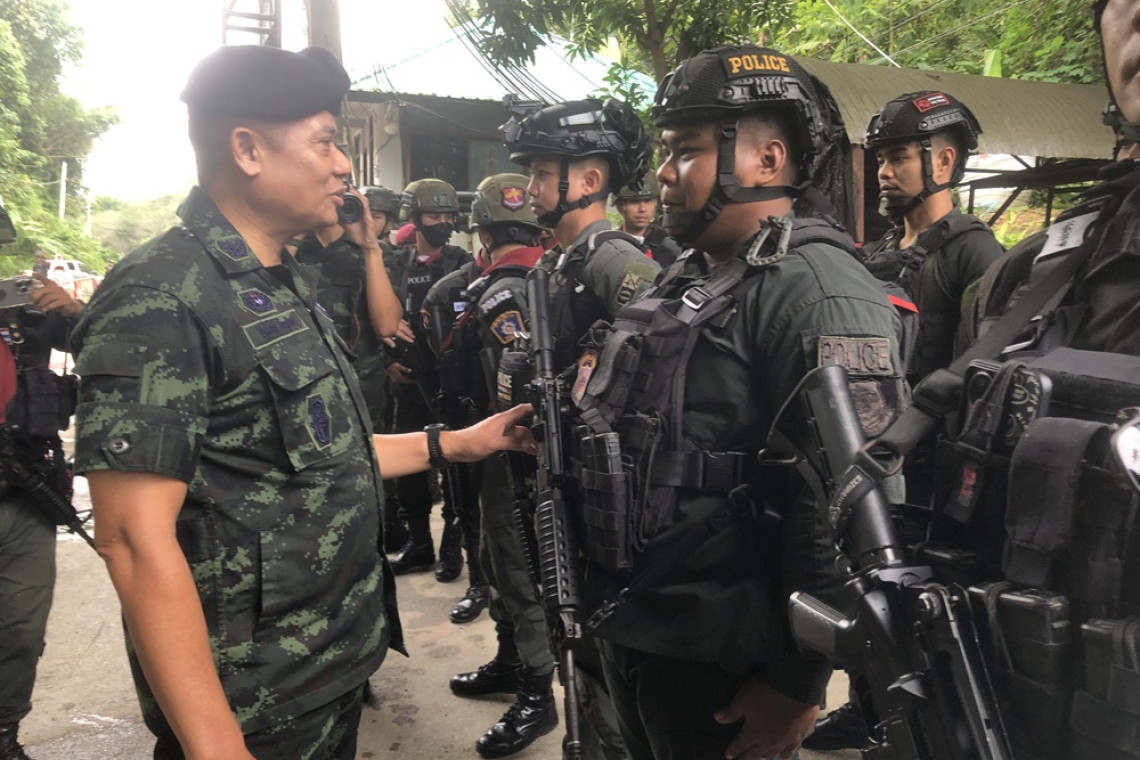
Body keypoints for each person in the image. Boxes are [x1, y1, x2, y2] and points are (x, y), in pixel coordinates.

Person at [68, 45, 535, 760]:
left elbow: (318, 454)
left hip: (328, 664)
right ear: (248, 150)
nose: (343, 165)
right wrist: (216, 745)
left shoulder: (278, 281)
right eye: (324, 142)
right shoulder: (161, 297)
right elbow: (132, 539)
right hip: (255, 702)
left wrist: (459, 442)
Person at [562, 44, 906, 760]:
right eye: (666, 151)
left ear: (767, 160)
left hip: (727, 661)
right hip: (644, 625)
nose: (662, 173)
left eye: (685, 150)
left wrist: (798, 682)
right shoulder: (693, 273)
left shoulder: (820, 290)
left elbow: (856, 502)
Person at [803, 90, 1004, 752]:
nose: (884, 172)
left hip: (932, 472)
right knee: (868, 592)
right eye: (881, 159)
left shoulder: (975, 255)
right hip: (870, 456)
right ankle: (868, 708)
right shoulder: (882, 249)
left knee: (924, 606)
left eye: (898, 158)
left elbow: (989, 374)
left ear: (942, 161)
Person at [501, 94, 662, 760]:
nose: (531, 187)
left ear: (590, 179)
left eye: (543, 173)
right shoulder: (559, 263)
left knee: (604, 668)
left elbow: (665, 355)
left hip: (605, 492)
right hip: (564, 478)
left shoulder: (613, 261)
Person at [426, 173, 560, 757]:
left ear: (481, 234)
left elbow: (521, 377)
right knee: (493, 558)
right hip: (491, 444)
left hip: (511, 449)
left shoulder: (503, 291)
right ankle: (510, 661)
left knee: (517, 565)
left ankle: (538, 691)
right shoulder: (530, 278)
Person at [0, 258, 83, 760]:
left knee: (22, 630)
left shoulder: (21, 315)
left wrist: (73, 312)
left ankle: (4, 734)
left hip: (25, 495)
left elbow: (112, 347)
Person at [385, 179, 476, 580]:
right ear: (415, 217)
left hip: (448, 382)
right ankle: (420, 544)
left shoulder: (462, 263)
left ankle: (453, 549)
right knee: (410, 470)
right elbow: (376, 317)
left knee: (453, 466)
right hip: (407, 382)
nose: (442, 223)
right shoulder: (396, 265)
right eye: (434, 215)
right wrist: (388, 362)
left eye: (448, 216)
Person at [613, 171, 683, 267]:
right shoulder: (611, 247)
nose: (642, 209)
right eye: (634, 202)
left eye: (648, 201)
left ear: (655, 204)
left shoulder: (671, 248)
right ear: (620, 206)